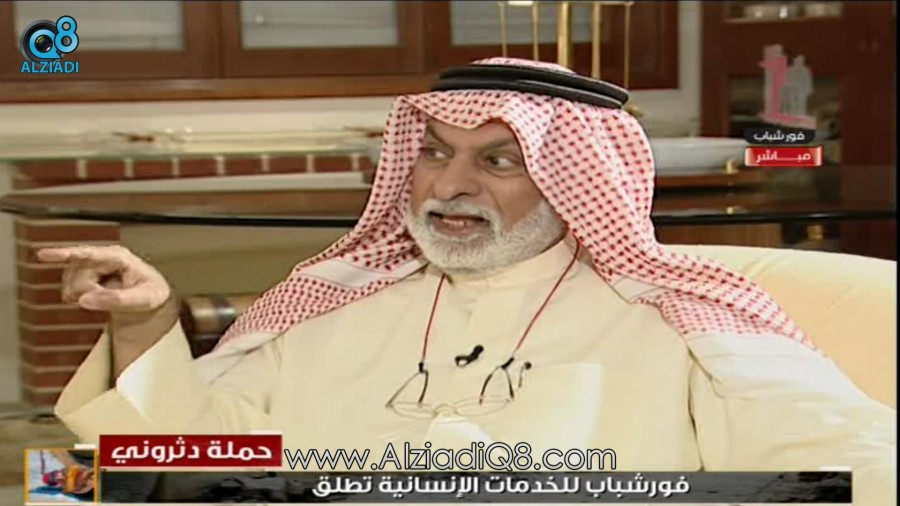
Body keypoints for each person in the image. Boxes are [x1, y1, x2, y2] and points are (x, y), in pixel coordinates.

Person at [41, 58, 893, 504]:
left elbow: (832, 455)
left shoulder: (682, 320)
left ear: (569, 182)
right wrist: (146, 322)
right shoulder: (335, 301)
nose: (448, 187)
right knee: (64, 489)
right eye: (435, 153)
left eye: (498, 161)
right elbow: (186, 456)